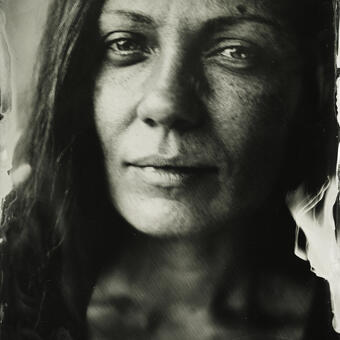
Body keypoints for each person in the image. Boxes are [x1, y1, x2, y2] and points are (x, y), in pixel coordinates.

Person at [0, 0, 338, 339]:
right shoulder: (13, 303)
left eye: (236, 51)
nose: (166, 103)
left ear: (316, 84)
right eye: (126, 43)